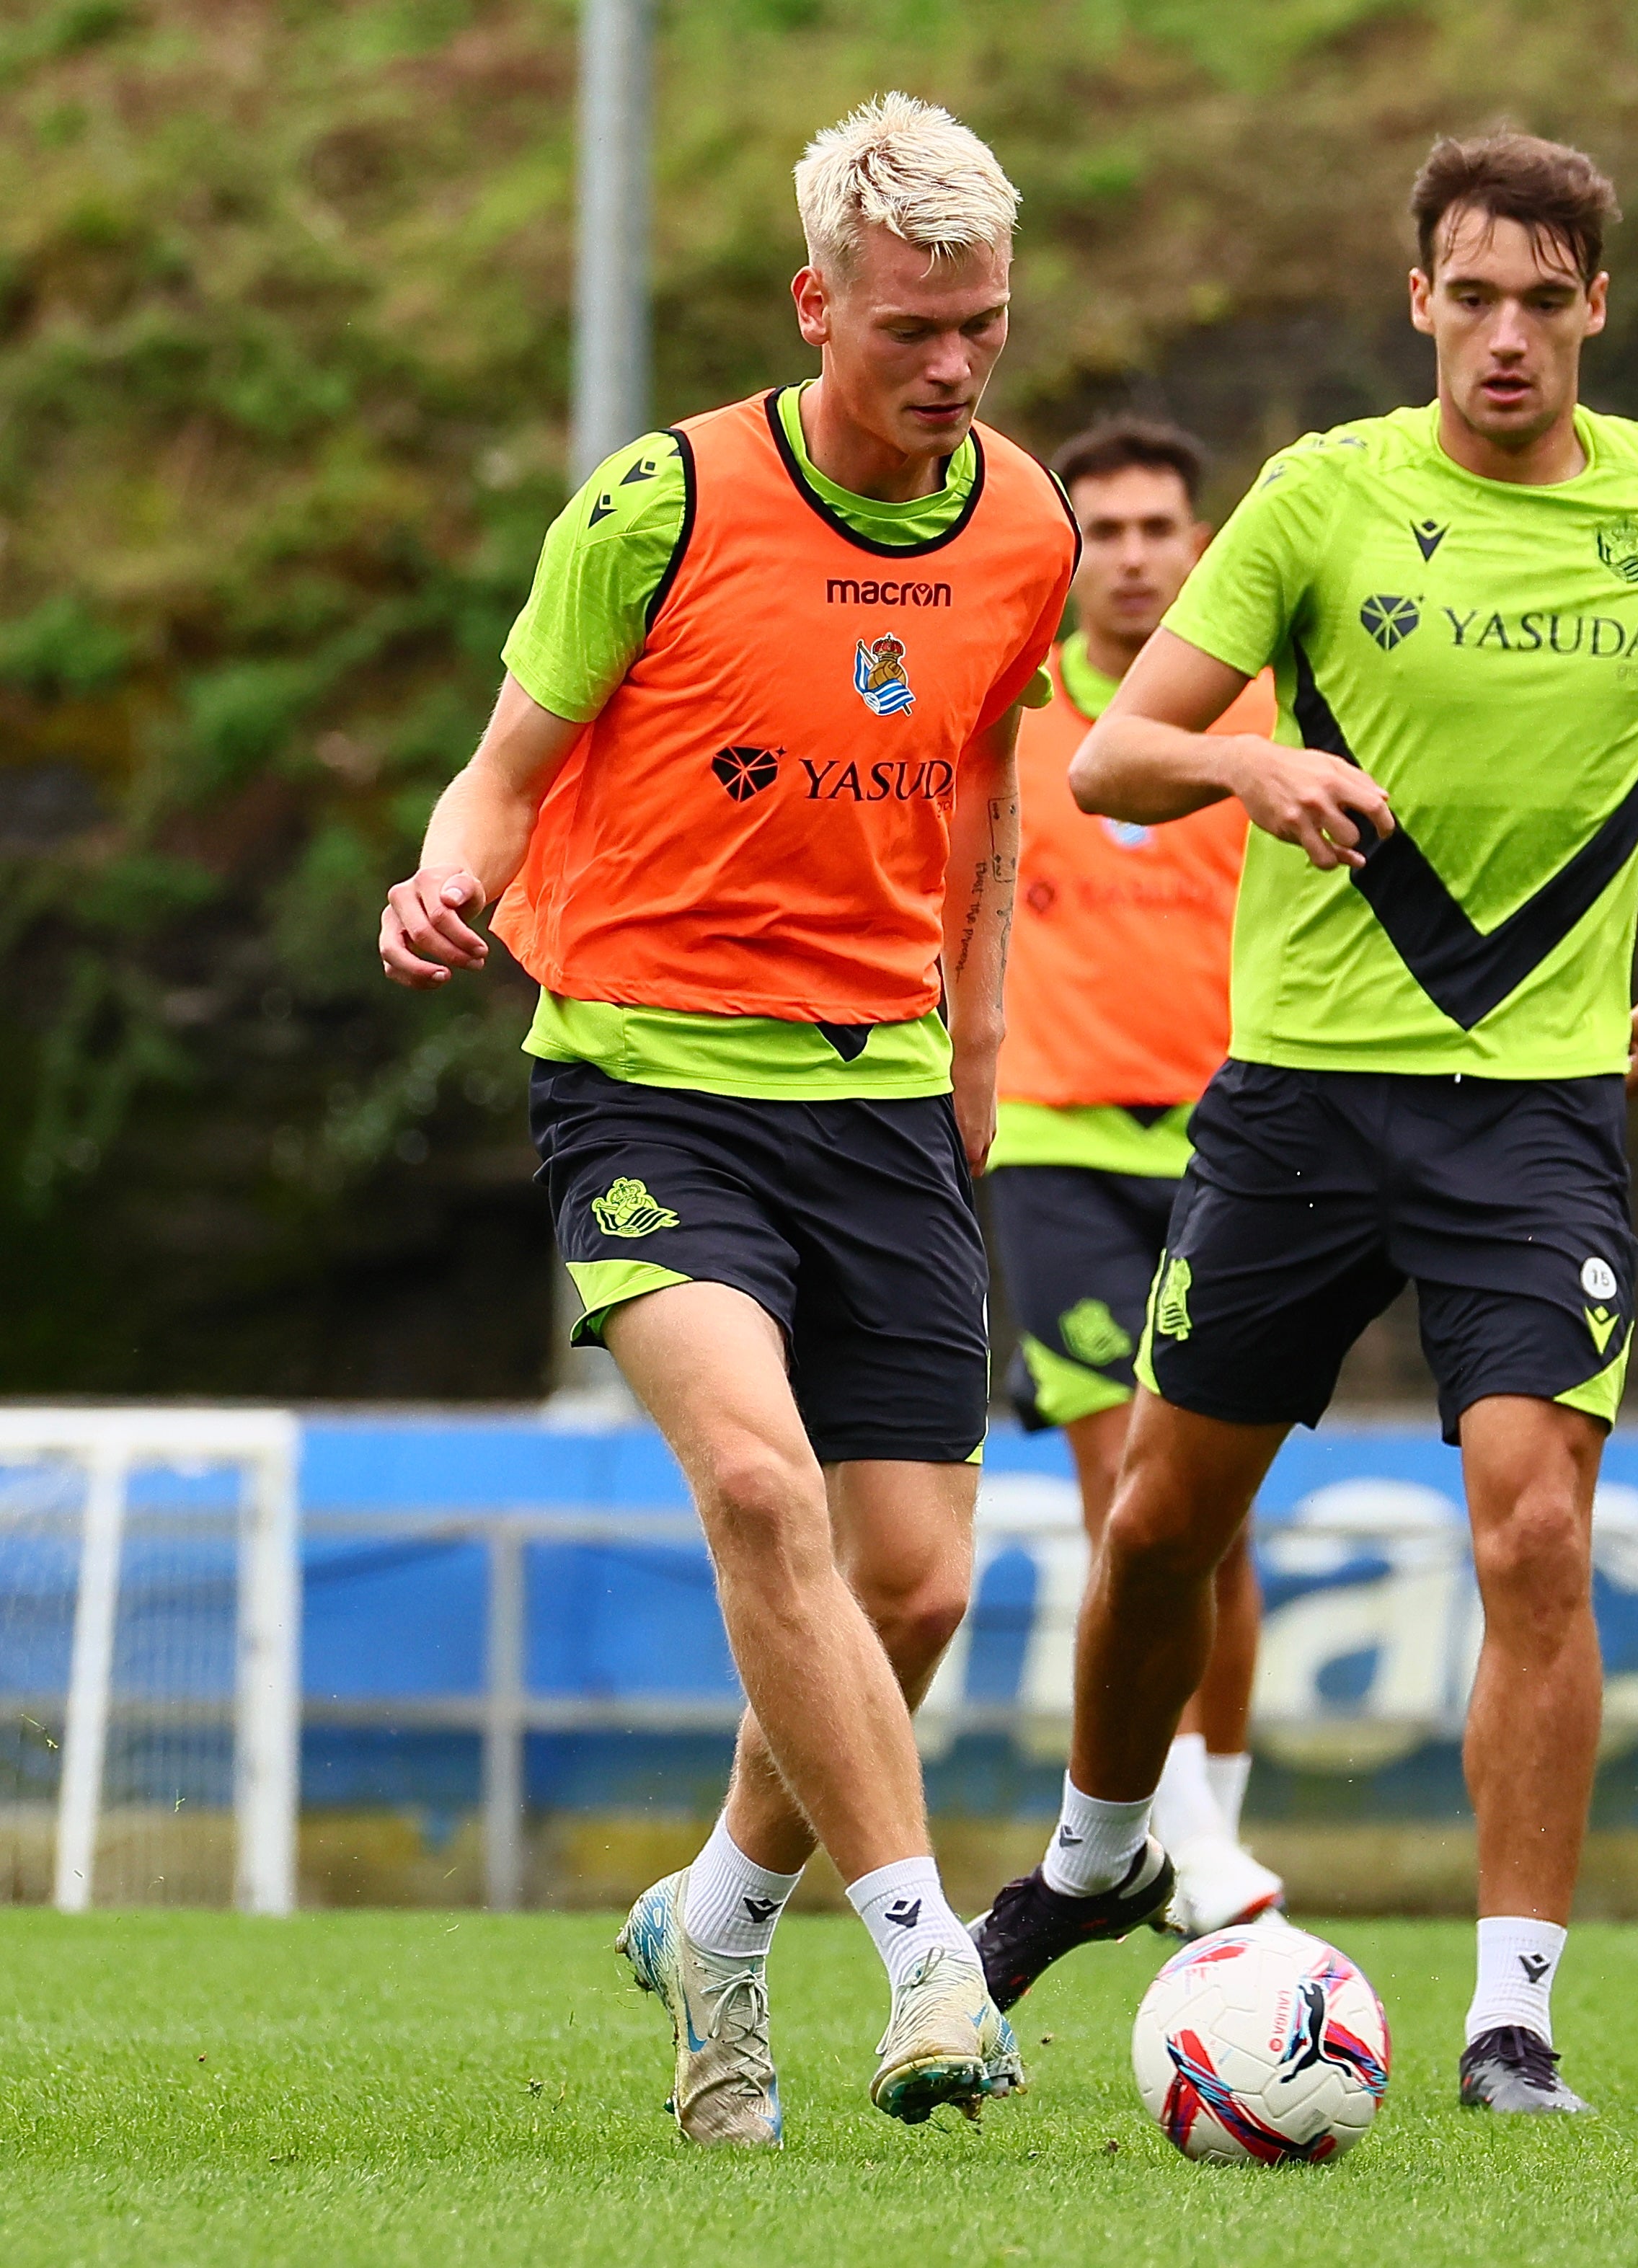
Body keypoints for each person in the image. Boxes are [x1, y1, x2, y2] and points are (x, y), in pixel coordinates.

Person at [971, 130, 1638, 2116]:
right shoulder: (1321, 494)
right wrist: (1254, 765)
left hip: (1529, 1118)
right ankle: (1094, 1859)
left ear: (1595, 306)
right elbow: (1124, 755)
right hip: (1301, 1103)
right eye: (1468, 297)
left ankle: (1509, 2015)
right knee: (1160, 1522)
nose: (1502, 336)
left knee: (1533, 1532)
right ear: (1417, 300)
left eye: (1540, 299)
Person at [378, 93, 1077, 2144]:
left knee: (920, 1582)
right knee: (760, 1500)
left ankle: (717, 1913)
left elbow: (979, 794)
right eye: (907, 331)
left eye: (982, 327)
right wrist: (448, 878)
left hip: (876, 1100)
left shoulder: (1019, 526)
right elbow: (505, 768)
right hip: (643, 1085)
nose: (949, 370)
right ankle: (925, 1955)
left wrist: (977, 1063)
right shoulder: (659, 501)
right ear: (814, 306)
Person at [989, 415, 1283, 1934]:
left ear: (1197, 541)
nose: (1129, 557)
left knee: (1219, 1523)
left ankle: (1201, 1835)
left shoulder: (1258, 722)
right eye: (1097, 531)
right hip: (1051, 1152)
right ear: (1068, 554)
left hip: (1231, 1154)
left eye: (1157, 527)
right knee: (1133, 1500)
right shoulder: (1018, 711)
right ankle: (1169, 1834)